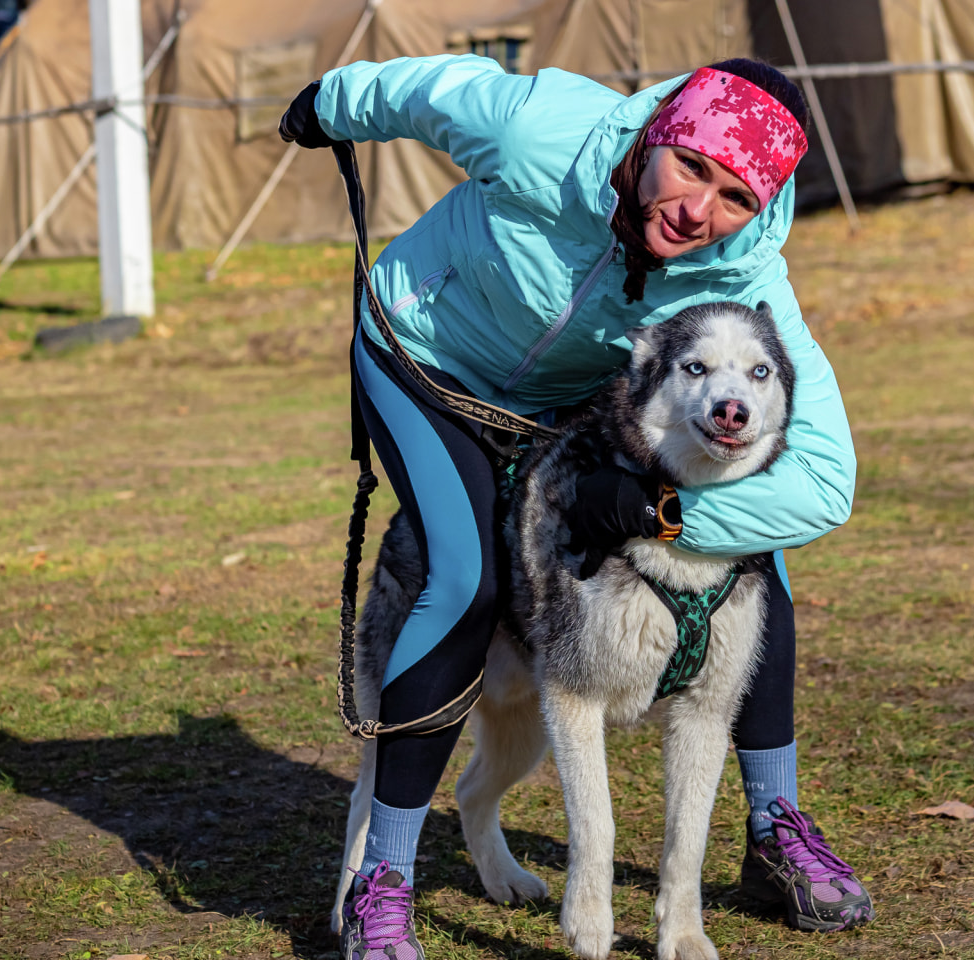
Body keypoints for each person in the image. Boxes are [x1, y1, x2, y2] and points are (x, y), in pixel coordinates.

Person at [279, 53, 870, 960]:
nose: (696, 209)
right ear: (658, 135)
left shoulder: (746, 272)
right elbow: (422, 92)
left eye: (735, 197)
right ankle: (379, 883)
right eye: (690, 166)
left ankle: (775, 824)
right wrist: (329, 102)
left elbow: (824, 480)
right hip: (424, 350)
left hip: (553, 401)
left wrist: (655, 517)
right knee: (465, 574)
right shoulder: (541, 130)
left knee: (758, 560)